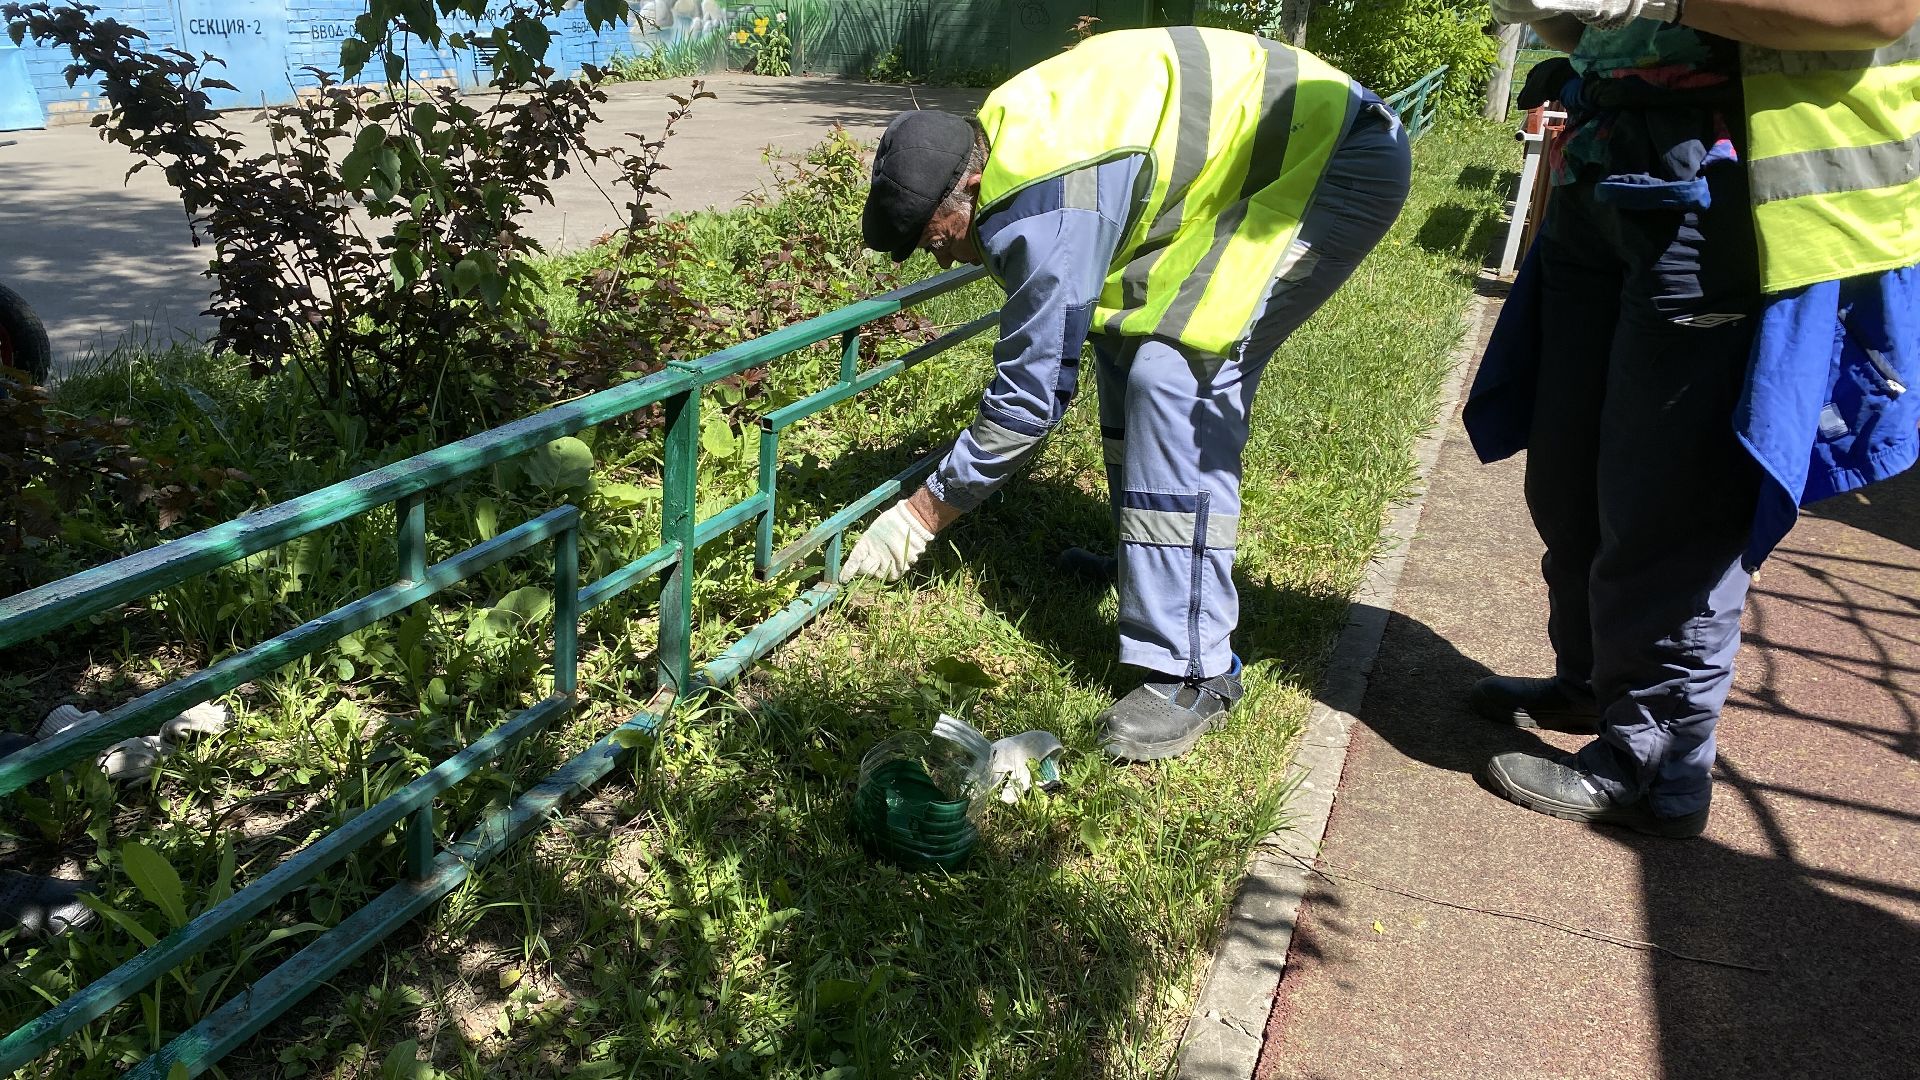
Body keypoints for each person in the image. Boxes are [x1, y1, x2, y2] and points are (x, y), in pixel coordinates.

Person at [842, 26, 1413, 760]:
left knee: (1178, 376)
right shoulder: (1009, 144)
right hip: (1273, 157)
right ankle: (1153, 567)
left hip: (1330, 165)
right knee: (1123, 342)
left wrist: (920, 517)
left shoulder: (1046, 206)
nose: (946, 251)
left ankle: (1194, 671)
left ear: (970, 188)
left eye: (937, 234)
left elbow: (1027, 401)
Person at [1468, 0, 1920, 836]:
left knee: (1667, 500)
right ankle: (1593, 684)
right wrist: (1566, 22)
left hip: (1728, 189)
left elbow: (1882, 10)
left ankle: (1655, 767)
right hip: (1606, 160)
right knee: (1567, 473)